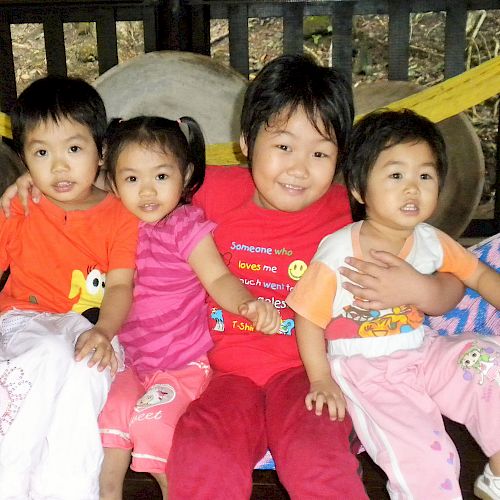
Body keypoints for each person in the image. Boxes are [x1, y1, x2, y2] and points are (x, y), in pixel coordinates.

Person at [0, 56, 465, 499]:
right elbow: (132, 180)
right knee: (201, 456)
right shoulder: (214, 188)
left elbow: (453, 271)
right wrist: (40, 186)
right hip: (223, 377)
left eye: (320, 153)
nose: (299, 169)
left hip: (305, 373)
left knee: (316, 458)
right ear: (246, 142)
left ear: (340, 157)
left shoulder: (349, 208)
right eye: (282, 146)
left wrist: (421, 288)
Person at [287, 109, 500, 500]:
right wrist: (320, 378)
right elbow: (308, 316)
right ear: (359, 189)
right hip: (369, 369)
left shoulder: (432, 240)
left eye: (425, 176)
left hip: (423, 350)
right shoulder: (338, 251)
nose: (412, 189)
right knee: (426, 455)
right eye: (396, 175)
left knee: (486, 362)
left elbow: (481, 277)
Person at [96, 115, 281, 500]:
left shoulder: (184, 225)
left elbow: (218, 278)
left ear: (186, 175)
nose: (147, 190)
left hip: (182, 366)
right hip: (134, 364)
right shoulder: (115, 226)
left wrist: (246, 302)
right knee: (110, 418)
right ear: (112, 183)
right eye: (132, 179)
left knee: (150, 426)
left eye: (161, 177)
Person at [0, 76, 138, 499]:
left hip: (92, 327)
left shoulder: (119, 214)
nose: (59, 167)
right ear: (23, 158)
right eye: (42, 152)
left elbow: (119, 285)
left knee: (87, 370)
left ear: (101, 151)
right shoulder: (20, 207)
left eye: (73, 149)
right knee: (46, 354)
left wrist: (105, 332)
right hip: (26, 320)